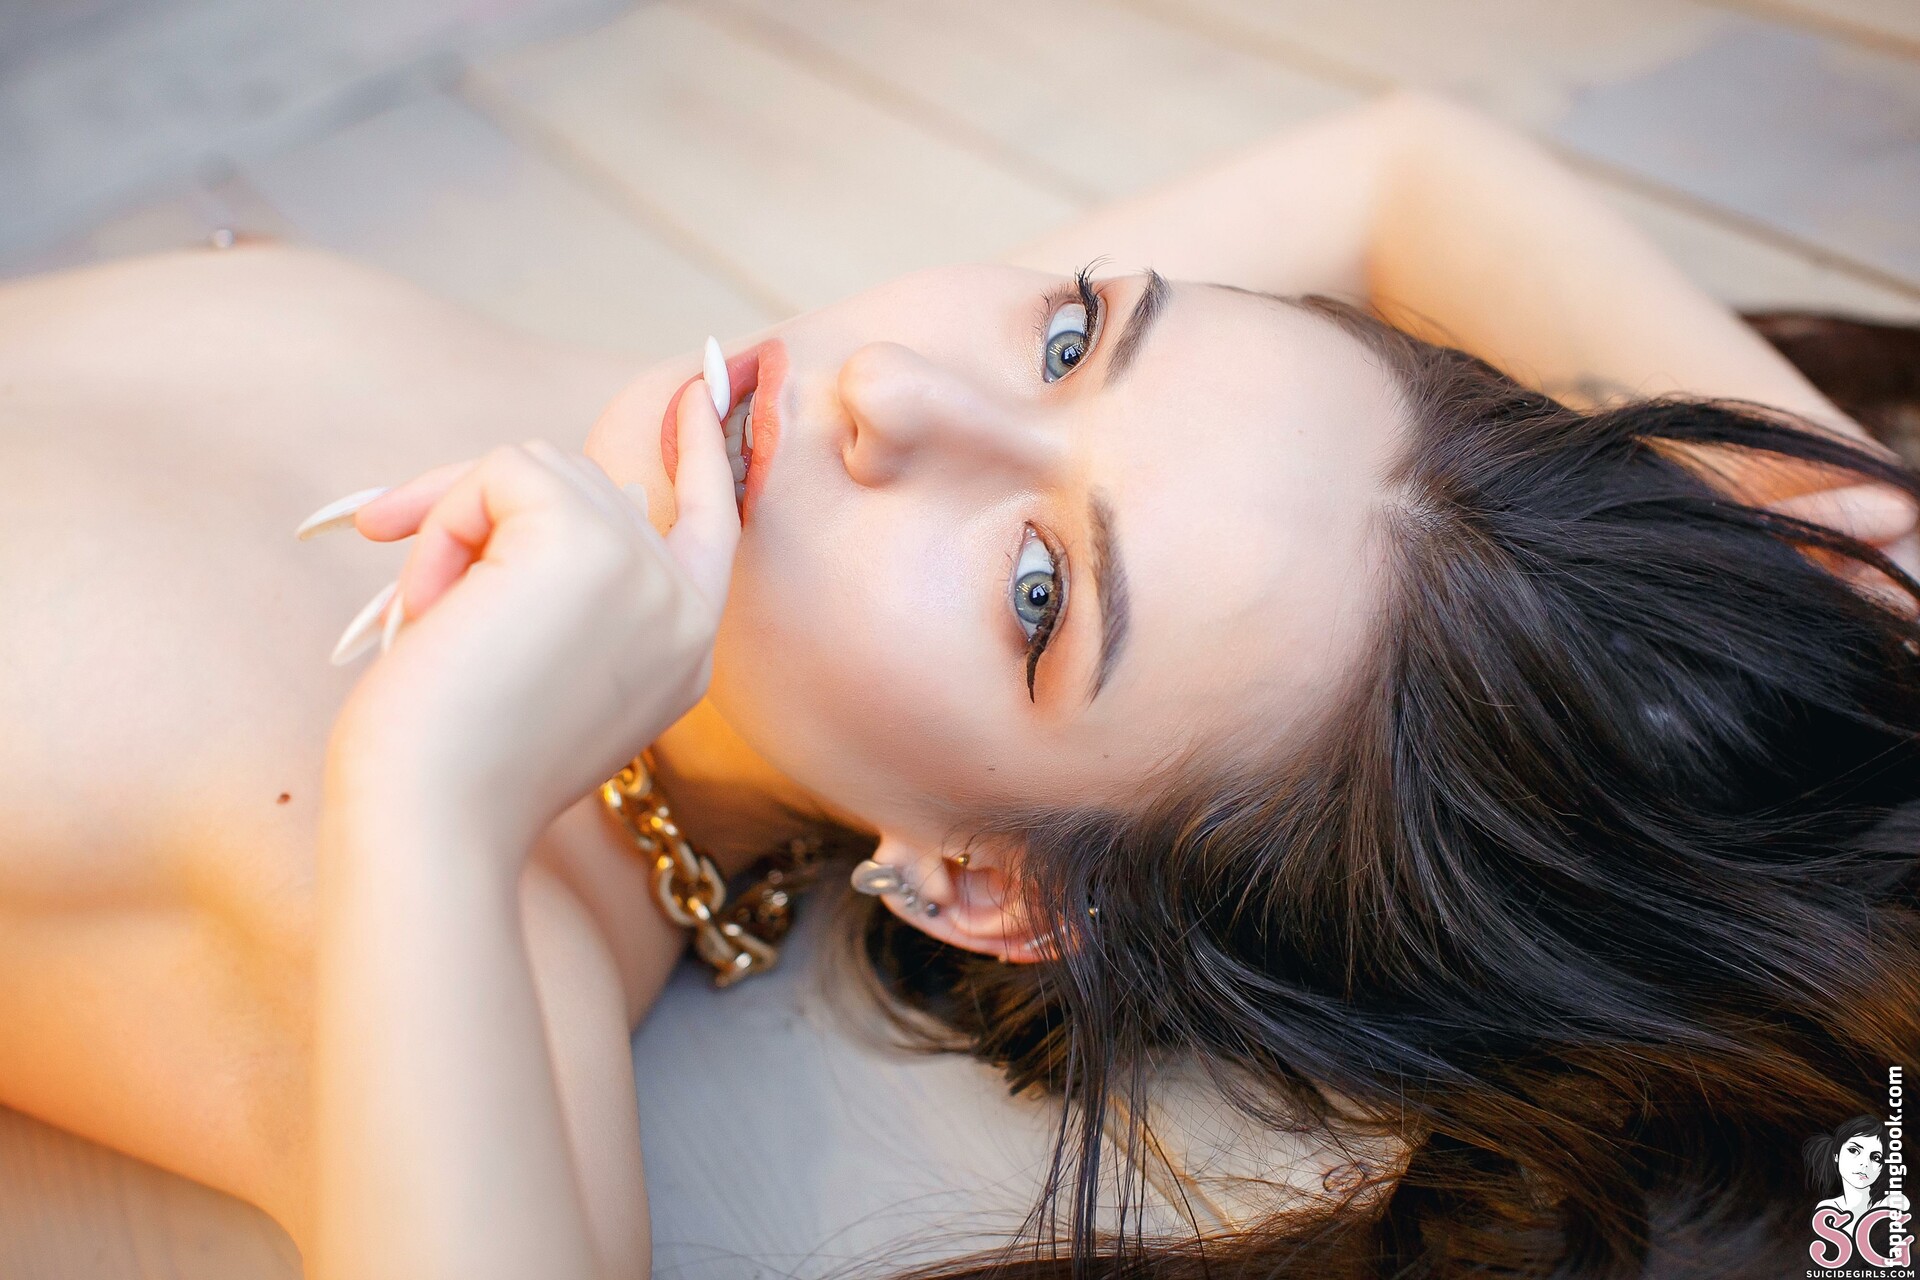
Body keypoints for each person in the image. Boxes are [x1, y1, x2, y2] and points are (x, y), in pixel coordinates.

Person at [0, 90, 1915, 1278]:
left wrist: (428, 793)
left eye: (1034, 589)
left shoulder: (431, 923)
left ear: (987, 885)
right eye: (1075, 333)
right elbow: (1413, 162)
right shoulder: (725, 440)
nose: (895, 391)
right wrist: (1864, 520)